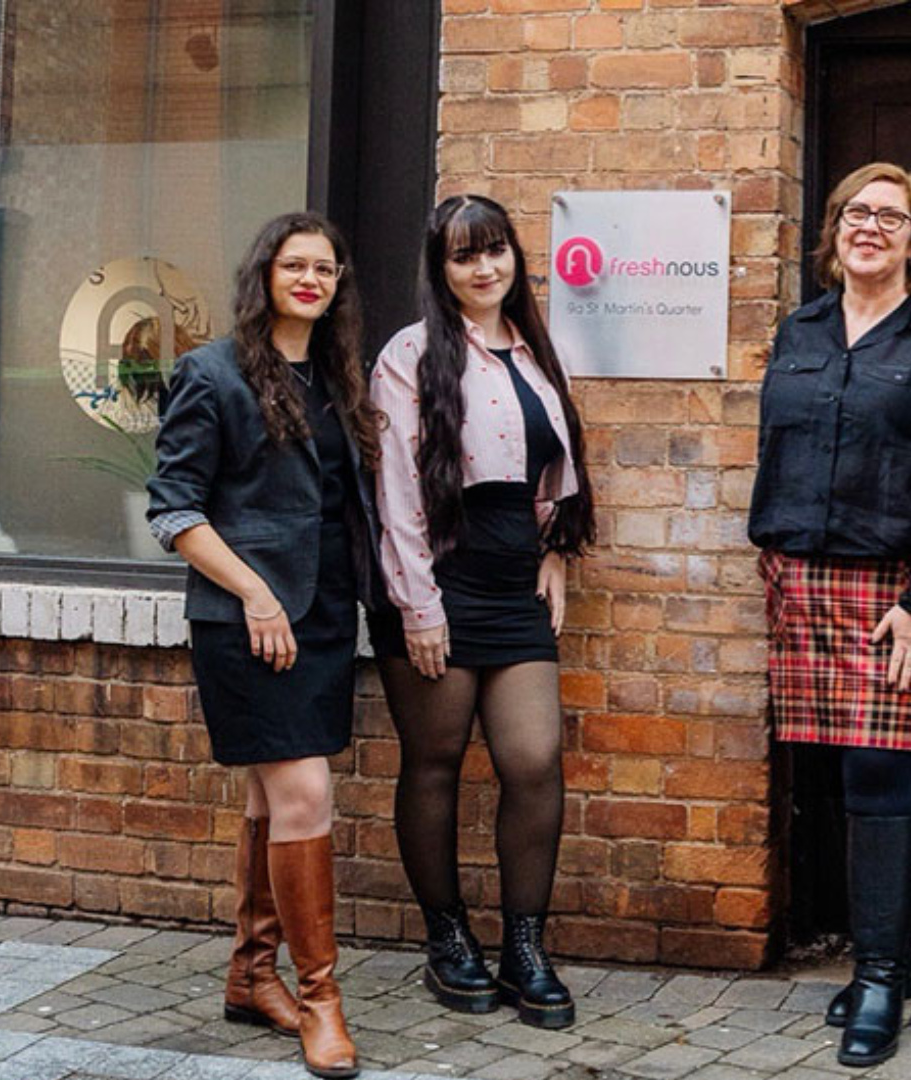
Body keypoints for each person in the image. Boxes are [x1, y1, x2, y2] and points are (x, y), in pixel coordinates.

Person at [749, 161, 911, 1067]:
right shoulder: (802, 329)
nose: (870, 227)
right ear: (835, 230)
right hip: (801, 577)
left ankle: (883, 978)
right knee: (831, 773)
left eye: (891, 217)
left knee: (878, 774)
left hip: (896, 589)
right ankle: (881, 960)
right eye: (857, 212)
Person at [148, 212, 377, 1080]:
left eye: (326, 269)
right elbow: (173, 509)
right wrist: (254, 593)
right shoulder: (212, 375)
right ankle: (321, 998)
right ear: (266, 275)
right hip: (249, 620)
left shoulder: (335, 377)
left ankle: (251, 975)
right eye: (295, 265)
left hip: (321, 617)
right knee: (307, 796)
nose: (311, 279)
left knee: (269, 799)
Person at [368, 194, 595, 1030]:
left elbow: (548, 473)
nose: (484, 267)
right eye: (465, 255)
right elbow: (397, 493)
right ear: (441, 268)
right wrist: (419, 606)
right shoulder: (410, 354)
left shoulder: (534, 351)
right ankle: (448, 938)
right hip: (436, 581)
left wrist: (554, 551)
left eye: (495, 250)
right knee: (434, 762)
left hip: (510, 588)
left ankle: (524, 949)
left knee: (534, 762)